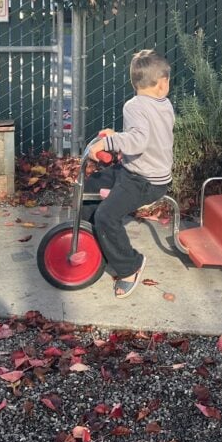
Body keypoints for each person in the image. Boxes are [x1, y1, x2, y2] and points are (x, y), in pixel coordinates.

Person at [86, 49, 174, 298]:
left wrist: (109, 143)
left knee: (106, 215)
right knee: (93, 184)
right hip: (137, 172)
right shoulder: (163, 103)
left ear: (134, 81)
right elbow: (142, 137)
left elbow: (138, 141)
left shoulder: (135, 105)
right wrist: (115, 138)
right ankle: (89, 236)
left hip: (144, 181)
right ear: (163, 83)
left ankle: (129, 266)